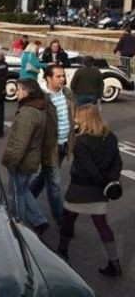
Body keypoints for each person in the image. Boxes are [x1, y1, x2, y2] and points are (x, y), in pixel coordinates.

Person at [57, 105, 122, 277]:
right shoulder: (110, 137)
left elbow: (87, 167)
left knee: (68, 219)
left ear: (85, 119)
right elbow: (118, 163)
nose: (75, 120)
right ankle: (114, 262)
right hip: (100, 190)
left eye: (77, 117)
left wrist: (100, 180)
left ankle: (62, 252)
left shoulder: (82, 141)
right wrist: (109, 181)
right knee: (102, 224)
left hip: (80, 188)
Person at [31, 65, 76, 229]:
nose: (62, 79)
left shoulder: (68, 93)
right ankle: (61, 219)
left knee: (44, 177)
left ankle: (23, 200)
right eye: (58, 76)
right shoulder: (42, 98)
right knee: (55, 183)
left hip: (64, 144)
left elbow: (72, 116)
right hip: (50, 147)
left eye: (63, 76)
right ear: (48, 79)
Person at [2, 79, 49, 231]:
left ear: (25, 92)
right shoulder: (38, 109)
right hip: (32, 160)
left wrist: (12, 162)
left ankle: (19, 226)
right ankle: (39, 220)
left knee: (16, 196)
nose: (16, 92)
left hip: (23, 161)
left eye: (18, 90)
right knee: (24, 191)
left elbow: (20, 142)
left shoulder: (27, 114)